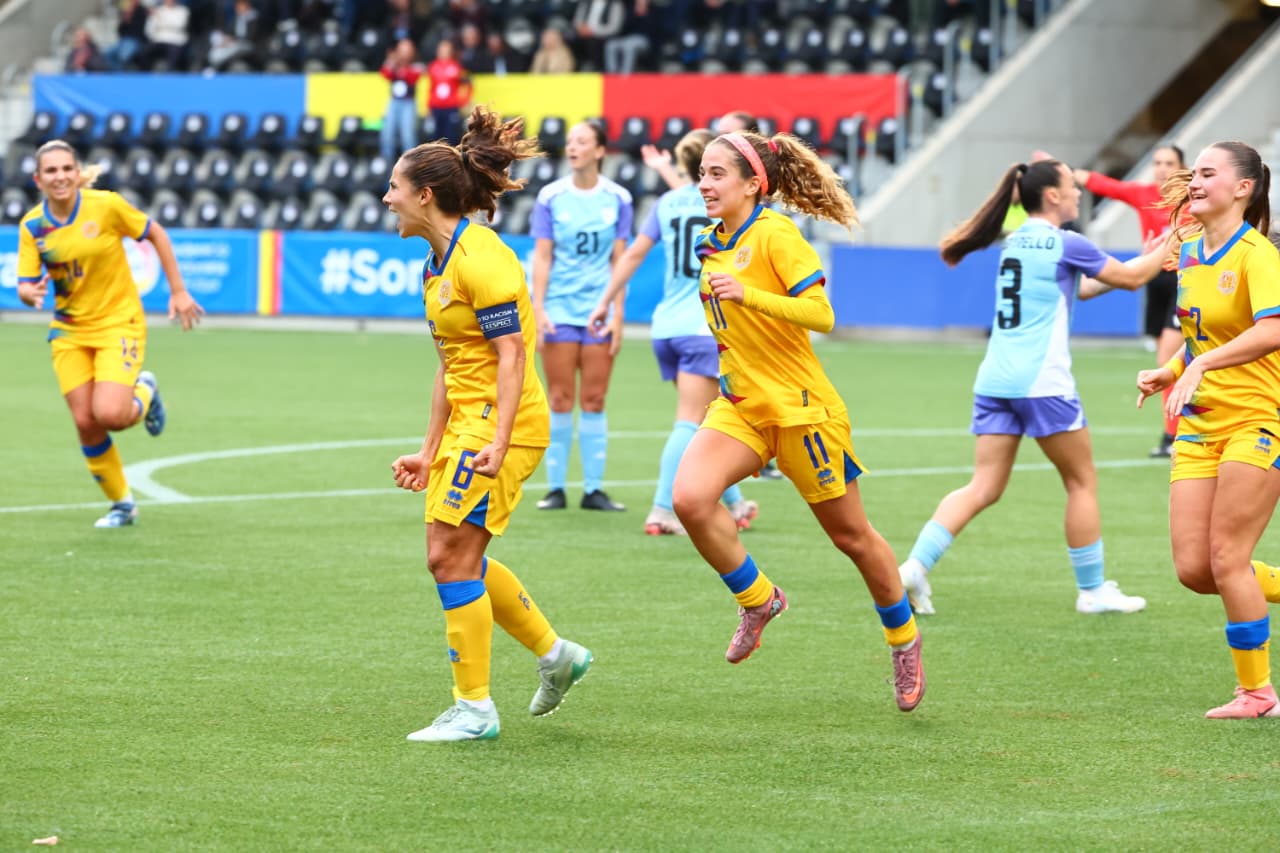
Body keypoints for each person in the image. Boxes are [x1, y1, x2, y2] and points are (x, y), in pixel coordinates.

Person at [671, 128, 926, 712]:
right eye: (702, 173)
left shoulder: (776, 234)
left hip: (801, 411)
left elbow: (822, 314)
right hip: (741, 408)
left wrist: (749, 295)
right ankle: (759, 600)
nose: (704, 184)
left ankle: (903, 639)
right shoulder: (710, 243)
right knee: (689, 499)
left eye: (717, 174)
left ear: (752, 184)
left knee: (852, 538)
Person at [383, 107, 594, 742]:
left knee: (449, 557)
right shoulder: (434, 267)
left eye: (395, 187)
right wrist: (428, 450)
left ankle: (474, 709)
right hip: (467, 425)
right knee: (455, 557)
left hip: (504, 425)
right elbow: (451, 365)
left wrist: (499, 441)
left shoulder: (482, 259)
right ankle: (556, 655)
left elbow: (513, 355)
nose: (387, 198)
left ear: (425, 195)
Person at [897, 158, 1174, 617]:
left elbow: (1079, 287)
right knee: (1081, 482)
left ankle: (913, 567)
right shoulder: (1067, 242)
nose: (1079, 192)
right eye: (1072, 185)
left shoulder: (1016, 242)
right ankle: (1092, 591)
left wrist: (1146, 259)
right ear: (1052, 195)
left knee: (983, 486)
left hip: (995, 380)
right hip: (1042, 382)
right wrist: (1168, 245)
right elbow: (1130, 279)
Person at [1135, 141, 1280, 719]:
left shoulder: (1257, 255)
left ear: (1243, 188)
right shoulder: (1191, 251)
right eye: (1193, 172)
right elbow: (1201, 339)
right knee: (1195, 570)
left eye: (1208, 173)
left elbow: (1272, 330)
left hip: (1257, 420)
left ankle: (1258, 694)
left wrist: (1197, 367)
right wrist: (1170, 371)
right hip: (1200, 427)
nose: (1193, 181)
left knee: (1228, 556)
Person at [14, 140, 203, 528]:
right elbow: (25, 282)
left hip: (118, 322)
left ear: (76, 172)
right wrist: (28, 293)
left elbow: (156, 233)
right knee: (86, 422)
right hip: (69, 331)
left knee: (112, 415)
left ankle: (145, 390)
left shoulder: (106, 206)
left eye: (66, 168)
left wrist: (179, 291)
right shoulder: (33, 226)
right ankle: (123, 505)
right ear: (38, 180)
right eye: (51, 171)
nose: (60, 176)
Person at [586, 129, 758, 535]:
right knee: (691, 420)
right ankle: (663, 509)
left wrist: (605, 300)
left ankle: (734, 503)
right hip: (704, 325)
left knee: (709, 418)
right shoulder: (726, 202)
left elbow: (634, 253)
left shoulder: (667, 202)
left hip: (667, 327)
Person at [530, 121, 633, 512]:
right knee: (559, 398)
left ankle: (593, 490)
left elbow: (620, 260)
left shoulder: (618, 198)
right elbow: (543, 256)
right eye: (571, 141)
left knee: (594, 398)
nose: (573, 147)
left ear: (600, 151)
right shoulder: (551, 196)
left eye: (582, 141)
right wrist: (538, 308)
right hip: (558, 309)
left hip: (599, 311)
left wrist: (618, 313)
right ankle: (555, 489)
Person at [1073, 145, 1187, 458]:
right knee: (1167, 358)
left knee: (1168, 358)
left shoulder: (1194, 199)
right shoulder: (1144, 194)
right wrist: (1066, 172)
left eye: (1169, 163)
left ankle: (1173, 436)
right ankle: (1176, 432)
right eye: (1157, 162)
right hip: (1154, 276)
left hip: (1184, 280)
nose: (1162, 168)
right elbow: (1107, 186)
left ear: (1182, 167)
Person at [379, 39, 424, 162]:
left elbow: (412, 77)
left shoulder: (416, 65)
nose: (404, 53)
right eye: (402, 50)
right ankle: (386, 164)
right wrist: (391, 61)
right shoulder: (394, 64)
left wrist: (399, 67)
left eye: (407, 50)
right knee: (387, 133)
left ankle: (409, 164)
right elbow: (384, 73)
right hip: (394, 101)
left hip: (408, 103)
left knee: (408, 135)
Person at [426, 38, 470, 147]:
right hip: (436, 107)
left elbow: (468, 85)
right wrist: (429, 105)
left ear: (451, 51)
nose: (443, 52)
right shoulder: (433, 66)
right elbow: (431, 88)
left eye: (446, 50)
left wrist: (462, 101)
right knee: (436, 136)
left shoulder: (457, 67)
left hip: (451, 108)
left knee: (451, 136)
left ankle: (451, 156)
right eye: (441, 49)